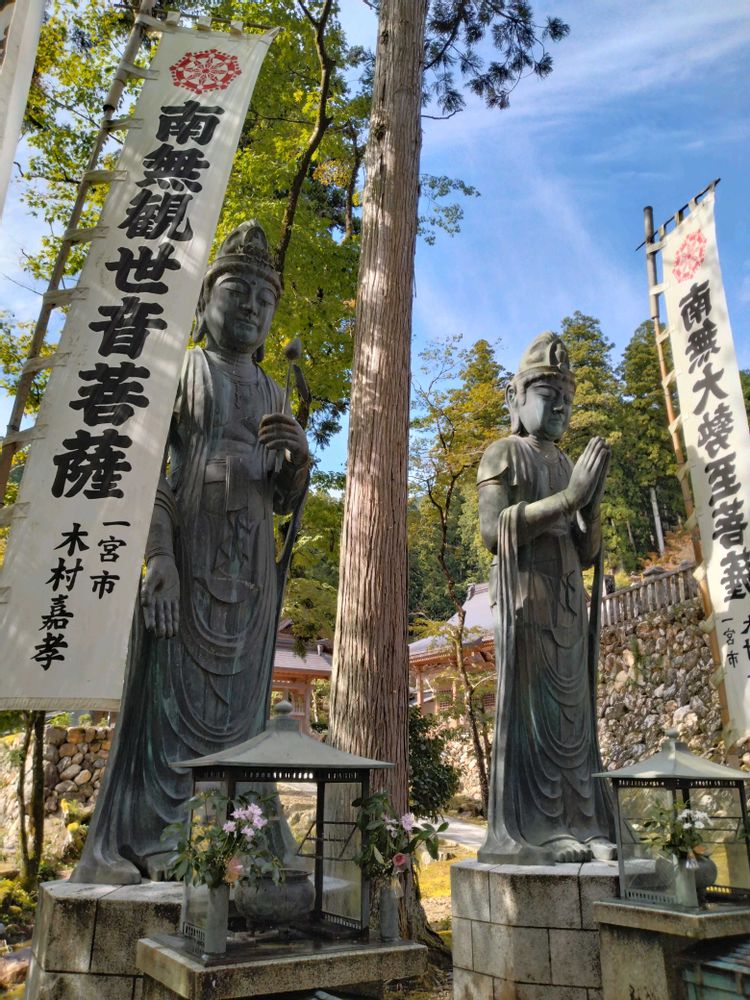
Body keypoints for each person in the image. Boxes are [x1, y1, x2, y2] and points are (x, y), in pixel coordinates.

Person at [73, 222, 310, 884]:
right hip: (190, 545)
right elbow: (147, 474)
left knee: (240, 705)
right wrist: (160, 558)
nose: (252, 308)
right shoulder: (180, 371)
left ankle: (239, 836)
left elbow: (283, 498)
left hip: (251, 566)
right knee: (170, 700)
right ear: (205, 300)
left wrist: (298, 460)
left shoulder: (274, 390)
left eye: (265, 299)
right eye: (238, 292)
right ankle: (157, 837)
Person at [476, 332, 615, 865]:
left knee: (573, 719)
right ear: (515, 398)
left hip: (567, 599)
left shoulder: (565, 462)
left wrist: (590, 508)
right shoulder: (504, 453)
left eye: (567, 398)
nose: (560, 406)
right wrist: (570, 497)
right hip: (526, 597)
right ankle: (540, 827)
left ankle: (583, 821)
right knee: (537, 715)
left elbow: (587, 551)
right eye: (547, 393)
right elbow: (493, 531)